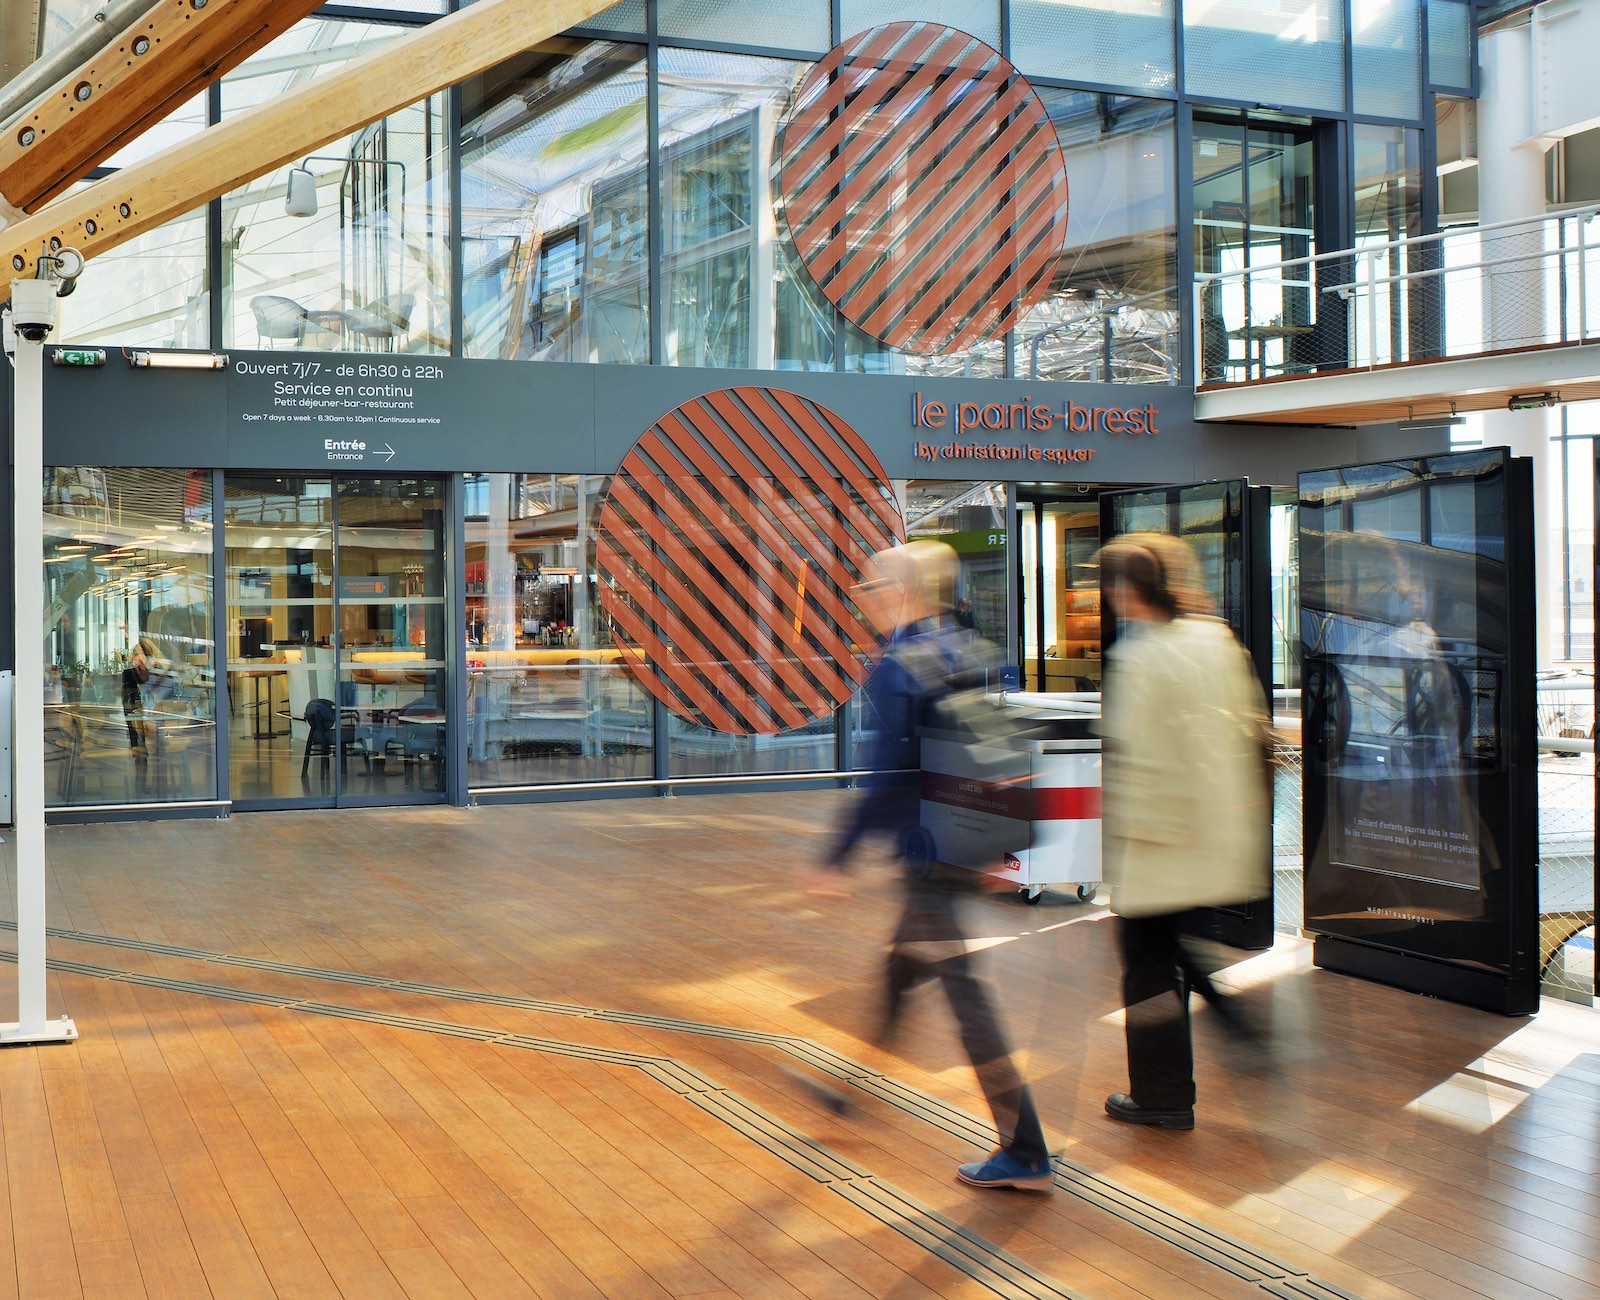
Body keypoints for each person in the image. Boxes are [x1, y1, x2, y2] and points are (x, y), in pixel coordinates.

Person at [801, 540, 1053, 1193]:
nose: (864, 597)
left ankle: (1025, 1149)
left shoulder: (899, 666)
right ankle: (849, 1091)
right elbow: (1010, 754)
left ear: (904, 592)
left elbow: (888, 777)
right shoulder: (976, 652)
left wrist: (835, 859)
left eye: (873, 586)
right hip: (967, 844)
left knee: (966, 998)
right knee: (900, 969)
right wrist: (1014, 848)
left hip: (929, 854)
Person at [1096, 533, 1271, 1131]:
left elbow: (1132, 755)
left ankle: (1162, 1094)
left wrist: (1118, 850)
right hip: (1214, 829)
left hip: (1158, 840)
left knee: (1147, 970)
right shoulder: (1215, 639)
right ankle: (1241, 1033)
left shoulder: (1138, 657)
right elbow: (1247, 730)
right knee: (1171, 950)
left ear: (1124, 590)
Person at [122, 636, 154, 752]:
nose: (134, 658)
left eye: (138, 654)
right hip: (140, 726)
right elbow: (128, 709)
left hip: (156, 724)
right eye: (134, 654)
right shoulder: (129, 675)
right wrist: (134, 742)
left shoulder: (155, 674)